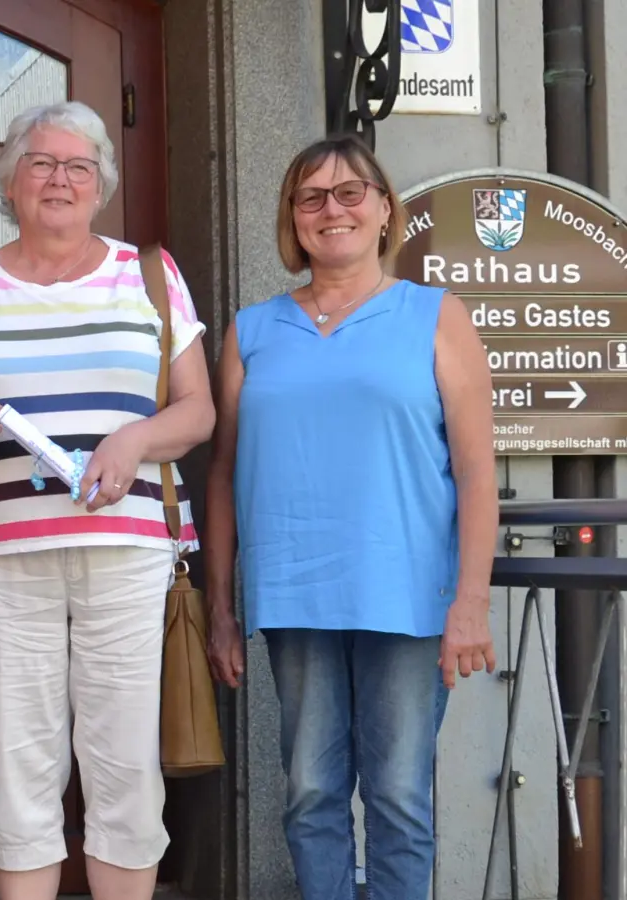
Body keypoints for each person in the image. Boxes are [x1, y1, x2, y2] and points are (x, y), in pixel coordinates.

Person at [0, 101, 214, 900]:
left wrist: (134, 441)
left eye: (78, 166)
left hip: (127, 548)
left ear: (101, 186)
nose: (59, 179)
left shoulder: (149, 274)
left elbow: (198, 410)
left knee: (124, 757)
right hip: (1, 555)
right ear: (10, 181)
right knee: (16, 756)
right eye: (41, 163)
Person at [203, 134, 498, 900]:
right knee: (309, 792)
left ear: (383, 208)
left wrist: (471, 601)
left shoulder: (435, 316)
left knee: (399, 795)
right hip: (295, 596)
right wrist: (220, 608)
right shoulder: (251, 331)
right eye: (311, 196)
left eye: (349, 193)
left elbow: (474, 469)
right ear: (293, 218)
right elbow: (225, 475)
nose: (330, 209)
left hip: (407, 595)